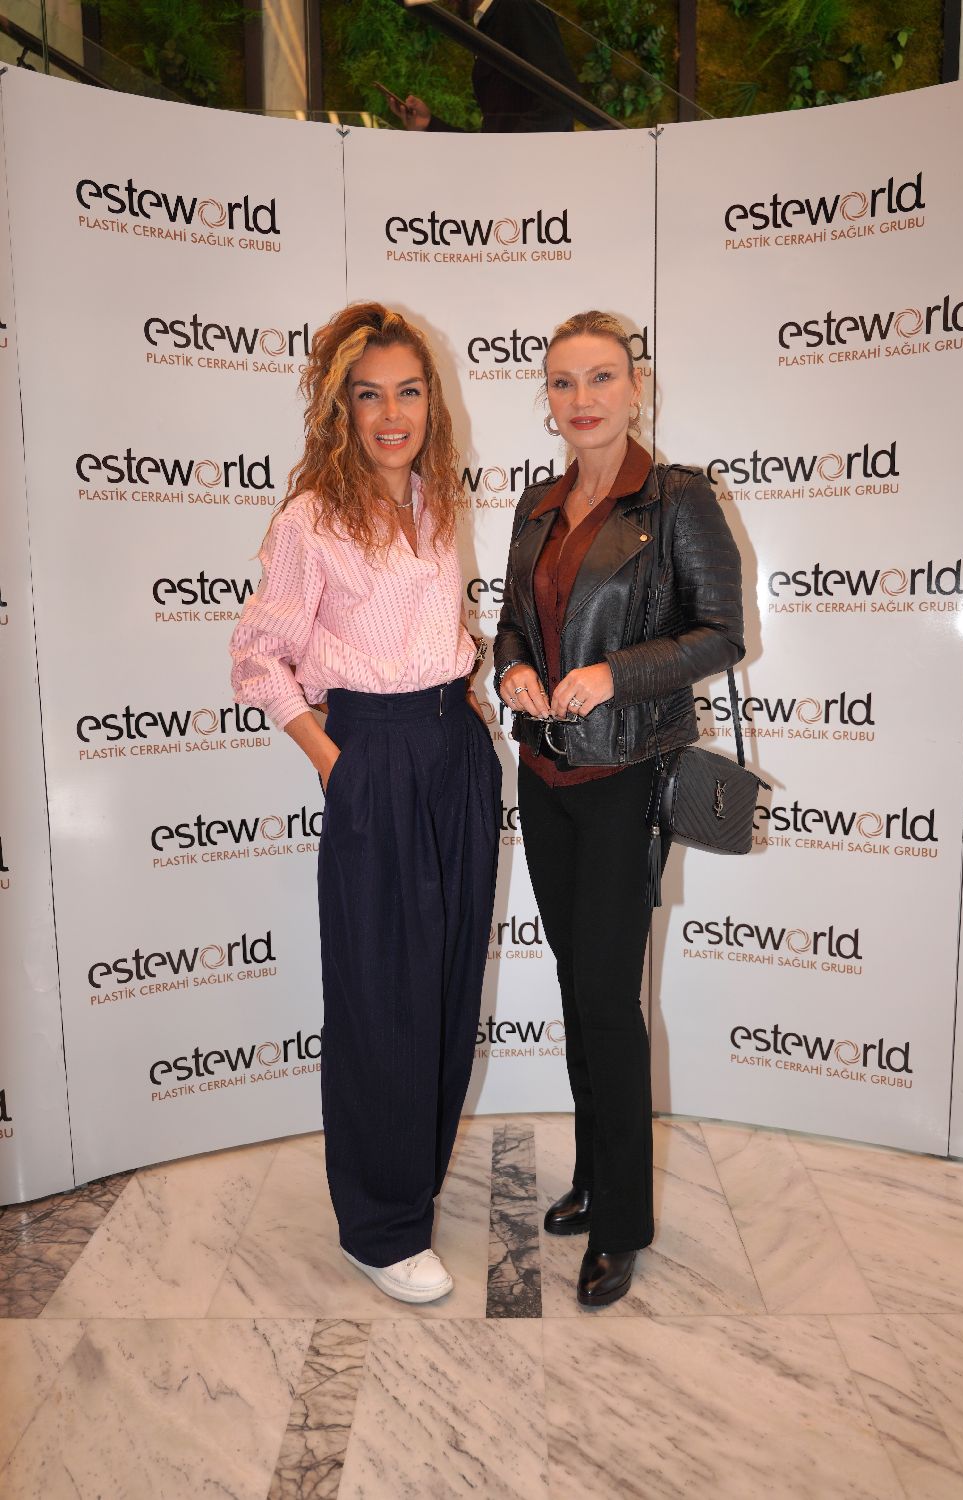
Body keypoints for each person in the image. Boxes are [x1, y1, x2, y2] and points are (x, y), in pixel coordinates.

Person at [230, 303, 501, 1305]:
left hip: (453, 750)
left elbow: (432, 626)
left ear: (432, 401)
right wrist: (332, 761)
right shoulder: (311, 520)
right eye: (370, 395)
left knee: (446, 979)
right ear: (339, 408)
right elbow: (257, 657)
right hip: (372, 758)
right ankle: (378, 1229)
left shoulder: (437, 501)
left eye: (409, 392)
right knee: (382, 992)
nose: (393, 414)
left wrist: (465, 699)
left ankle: (410, 1183)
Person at [493, 310, 744, 1307]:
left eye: (601, 377)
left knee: (606, 995)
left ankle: (623, 1222)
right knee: (575, 983)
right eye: (563, 382)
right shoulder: (536, 505)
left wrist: (614, 673)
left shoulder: (677, 499)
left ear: (636, 388)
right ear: (547, 399)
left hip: (627, 775)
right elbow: (510, 623)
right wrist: (512, 669)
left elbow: (720, 633)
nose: (582, 399)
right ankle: (594, 1175)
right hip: (544, 773)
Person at [390, 0, 579, 133]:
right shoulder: (489, 23)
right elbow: (489, 141)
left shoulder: (516, 7)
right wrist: (429, 124)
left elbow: (560, 104)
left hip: (529, 171)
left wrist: (509, 157)